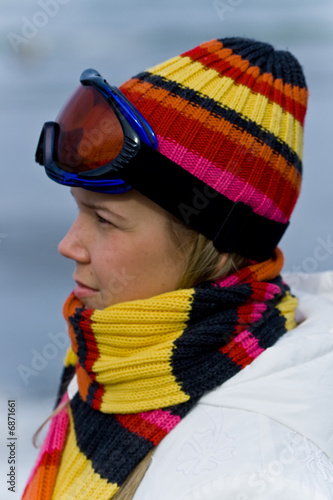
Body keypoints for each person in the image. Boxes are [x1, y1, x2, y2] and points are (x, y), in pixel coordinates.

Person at [22, 37, 333, 499]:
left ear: (218, 249)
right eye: (80, 209)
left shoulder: (252, 477)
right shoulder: (114, 354)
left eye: (105, 220)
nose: (69, 245)